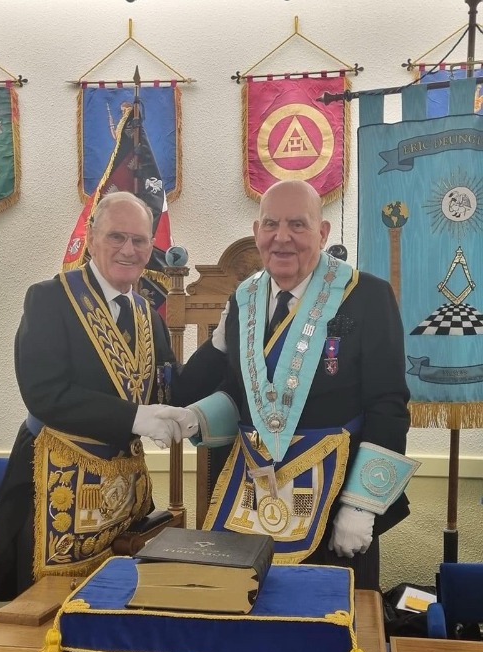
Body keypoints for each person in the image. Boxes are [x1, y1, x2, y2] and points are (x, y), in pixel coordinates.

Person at [176, 180, 415, 590]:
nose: (282, 237)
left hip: (335, 504)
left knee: (332, 618)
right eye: (271, 224)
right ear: (257, 232)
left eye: (297, 225)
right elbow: (238, 393)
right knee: (245, 610)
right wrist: (196, 414)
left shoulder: (367, 295)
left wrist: (362, 506)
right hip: (252, 498)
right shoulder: (244, 300)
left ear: (322, 232)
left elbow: (387, 405)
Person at [0, 191, 224, 601]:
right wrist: (135, 418)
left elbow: (173, 389)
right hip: (55, 487)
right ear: (91, 237)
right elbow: (44, 394)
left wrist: (218, 345)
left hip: (124, 499)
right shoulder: (50, 299)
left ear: (151, 247)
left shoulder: (147, 314)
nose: (128, 250)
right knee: (46, 616)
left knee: (117, 604)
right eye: (117, 237)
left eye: (139, 240)